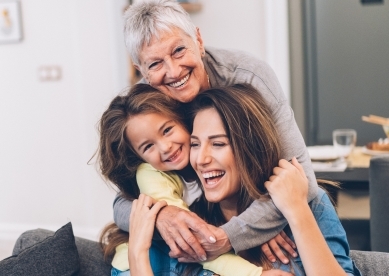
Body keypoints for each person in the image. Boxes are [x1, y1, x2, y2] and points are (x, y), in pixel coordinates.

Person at [114, 0, 318, 263]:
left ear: (198, 40)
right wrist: (162, 216)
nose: (173, 71)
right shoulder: (144, 106)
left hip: (259, 217)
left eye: (178, 50)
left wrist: (233, 233)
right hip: (202, 224)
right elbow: (121, 204)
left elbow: (303, 181)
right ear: (141, 71)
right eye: (155, 64)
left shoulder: (249, 77)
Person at [126, 83, 360, 275]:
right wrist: (137, 254)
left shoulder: (310, 204)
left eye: (218, 144)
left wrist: (296, 210)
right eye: (195, 144)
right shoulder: (194, 223)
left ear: (251, 149)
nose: (201, 159)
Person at [98, 83, 291, 275]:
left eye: (167, 130)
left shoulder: (205, 161)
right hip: (141, 265)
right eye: (148, 146)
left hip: (185, 259)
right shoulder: (151, 176)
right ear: (139, 157)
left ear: (183, 121)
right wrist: (255, 274)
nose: (165, 147)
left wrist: (261, 228)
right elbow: (193, 240)